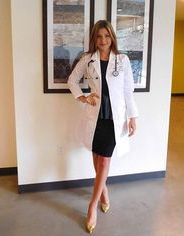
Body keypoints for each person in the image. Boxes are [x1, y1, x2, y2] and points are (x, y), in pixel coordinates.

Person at [68, 20, 138, 234]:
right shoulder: (87, 59)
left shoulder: (122, 60)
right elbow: (72, 80)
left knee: (105, 160)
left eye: (107, 36)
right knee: (97, 159)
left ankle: (92, 206)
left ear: (112, 37)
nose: (103, 40)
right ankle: (104, 193)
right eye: (99, 36)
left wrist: (132, 116)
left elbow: (128, 92)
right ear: (94, 39)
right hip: (95, 116)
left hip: (113, 118)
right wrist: (83, 98)